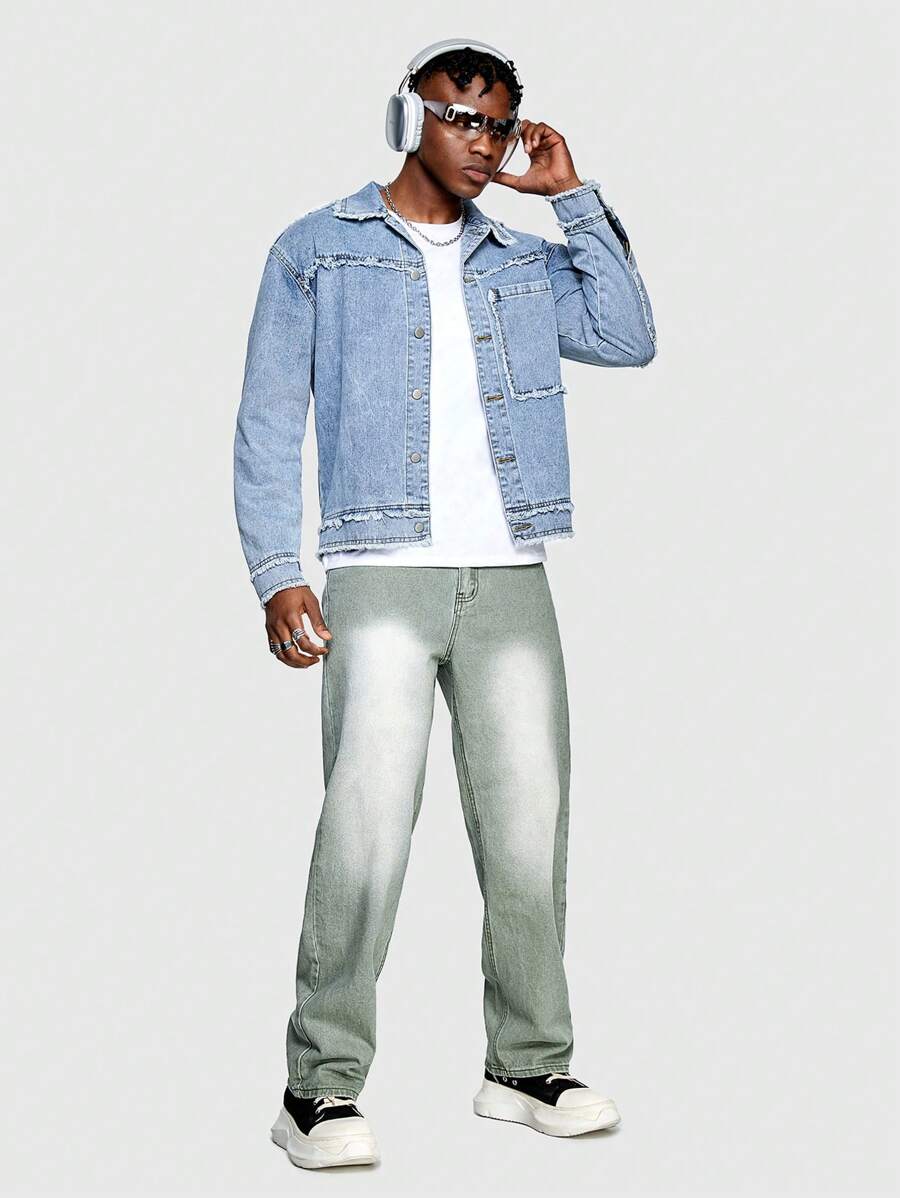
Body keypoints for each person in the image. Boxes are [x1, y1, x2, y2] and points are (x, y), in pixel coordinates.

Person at [233, 37, 657, 1170]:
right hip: (380, 572)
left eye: (500, 124)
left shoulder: (521, 262)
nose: (483, 142)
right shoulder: (317, 251)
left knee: (529, 828)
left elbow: (628, 336)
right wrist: (277, 571)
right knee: (365, 829)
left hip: (511, 574)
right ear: (405, 117)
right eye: (461, 117)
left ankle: (527, 1065)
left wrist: (570, 195)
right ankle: (318, 1088)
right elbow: (268, 417)